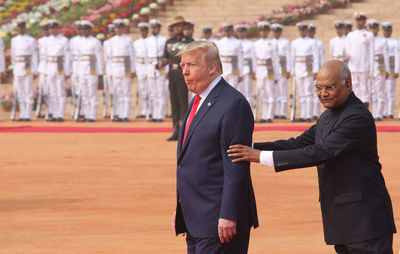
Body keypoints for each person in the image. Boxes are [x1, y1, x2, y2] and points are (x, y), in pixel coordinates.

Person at [227, 60, 396, 254]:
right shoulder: (328, 115)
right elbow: (299, 142)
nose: (323, 94)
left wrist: (261, 157)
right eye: (318, 88)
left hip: (365, 222)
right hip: (344, 221)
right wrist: (250, 148)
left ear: (348, 83)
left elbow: (321, 152)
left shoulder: (356, 117)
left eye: (329, 87)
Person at [173, 40, 258, 254]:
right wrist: (182, 206)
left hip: (219, 221)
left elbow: (235, 165)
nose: (184, 72)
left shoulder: (232, 103)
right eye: (182, 66)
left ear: (212, 68)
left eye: (191, 65)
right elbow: (190, 161)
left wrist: (229, 214)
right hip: (196, 218)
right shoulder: (198, 100)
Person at [162, 16, 194, 141]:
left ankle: (185, 131)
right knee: (174, 102)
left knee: (183, 102)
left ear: (183, 27)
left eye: (179, 26)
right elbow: (165, 57)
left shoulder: (189, 41)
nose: (176, 28)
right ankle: (175, 128)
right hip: (172, 74)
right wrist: (161, 63)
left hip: (182, 74)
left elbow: (191, 57)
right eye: (174, 26)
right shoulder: (169, 41)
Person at [107, 19, 135, 122]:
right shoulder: (110, 41)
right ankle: (119, 113)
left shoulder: (128, 40)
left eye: (120, 28)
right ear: (114, 29)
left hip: (125, 67)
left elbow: (132, 56)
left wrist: (132, 70)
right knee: (117, 92)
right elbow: (109, 58)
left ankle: (125, 114)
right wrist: (109, 71)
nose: (118, 30)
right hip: (115, 67)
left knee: (126, 91)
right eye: (116, 28)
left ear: (123, 29)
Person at [11, 18, 38, 121]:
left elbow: (34, 55)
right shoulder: (14, 40)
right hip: (18, 66)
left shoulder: (30, 40)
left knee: (28, 91)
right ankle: (22, 114)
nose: (21, 29)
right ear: (18, 28)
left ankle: (28, 114)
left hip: (27, 65)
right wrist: (14, 69)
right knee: (20, 92)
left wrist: (35, 70)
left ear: (25, 28)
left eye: (22, 27)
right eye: (19, 27)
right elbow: (13, 56)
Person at [291, 22, 319, 122]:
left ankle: (309, 114)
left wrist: (315, 70)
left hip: (308, 68)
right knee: (301, 93)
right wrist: (292, 71)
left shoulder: (312, 42)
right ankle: (302, 114)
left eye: (304, 30)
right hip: (298, 68)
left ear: (307, 31)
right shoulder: (295, 42)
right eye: (300, 30)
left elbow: (316, 57)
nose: (302, 32)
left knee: (309, 92)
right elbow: (292, 57)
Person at [76, 20, 103, 122]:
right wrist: (78, 71)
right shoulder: (80, 42)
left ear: (90, 30)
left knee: (92, 92)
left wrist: (100, 71)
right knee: (85, 93)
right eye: (82, 29)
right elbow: (78, 58)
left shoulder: (95, 41)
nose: (83, 31)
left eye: (86, 29)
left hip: (92, 68)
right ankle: (86, 114)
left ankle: (92, 115)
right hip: (82, 68)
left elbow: (99, 57)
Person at [346, 11, 374, 108]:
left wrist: (372, 69)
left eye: (361, 20)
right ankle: (354, 108)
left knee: (364, 88)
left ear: (364, 21)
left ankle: (364, 109)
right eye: (357, 20)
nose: (359, 22)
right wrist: (344, 55)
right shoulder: (350, 35)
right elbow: (348, 51)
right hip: (353, 66)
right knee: (354, 88)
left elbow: (371, 53)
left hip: (364, 66)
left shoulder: (369, 35)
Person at [44, 19, 70, 122]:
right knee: (52, 91)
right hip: (50, 65)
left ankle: (60, 114)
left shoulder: (64, 40)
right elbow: (44, 56)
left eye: (54, 28)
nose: (52, 30)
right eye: (50, 28)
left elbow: (67, 56)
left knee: (61, 91)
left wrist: (67, 71)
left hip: (60, 65)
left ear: (57, 29)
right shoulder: (46, 40)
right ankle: (54, 113)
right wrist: (45, 70)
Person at [252, 21, 278, 123]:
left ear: (268, 32)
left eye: (265, 31)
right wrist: (254, 71)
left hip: (269, 69)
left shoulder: (272, 43)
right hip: (260, 69)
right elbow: (254, 59)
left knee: (270, 93)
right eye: (262, 31)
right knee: (262, 93)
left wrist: (276, 75)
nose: (263, 33)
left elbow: (275, 60)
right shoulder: (256, 44)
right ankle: (264, 115)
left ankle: (270, 116)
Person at [146, 19, 168, 122]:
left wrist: (166, 69)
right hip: (150, 67)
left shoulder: (164, 40)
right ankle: (155, 114)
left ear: (159, 29)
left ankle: (161, 115)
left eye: (156, 28)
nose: (154, 29)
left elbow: (166, 56)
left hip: (161, 66)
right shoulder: (147, 40)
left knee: (161, 92)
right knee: (153, 92)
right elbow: (145, 56)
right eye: (153, 28)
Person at [367, 19, 389, 121]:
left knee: (380, 91)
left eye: (374, 28)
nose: (373, 30)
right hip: (369, 69)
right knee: (372, 92)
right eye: (371, 28)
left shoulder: (382, 41)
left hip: (380, 68)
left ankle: (379, 114)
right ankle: (373, 113)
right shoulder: (366, 40)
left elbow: (386, 56)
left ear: (377, 29)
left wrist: (387, 70)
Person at [216, 23, 243, 91]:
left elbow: (240, 59)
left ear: (232, 31)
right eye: (226, 31)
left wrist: (241, 73)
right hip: (223, 68)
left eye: (229, 31)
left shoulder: (237, 42)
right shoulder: (220, 42)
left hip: (233, 68)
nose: (227, 32)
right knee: (222, 89)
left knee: (233, 89)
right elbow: (217, 57)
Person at [272, 23, 291, 120]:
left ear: (281, 32)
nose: (276, 33)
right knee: (275, 91)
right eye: (274, 32)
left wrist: (288, 69)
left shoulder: (286, 42)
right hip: (273, 69)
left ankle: (283, 112)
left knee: (282, 90)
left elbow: (288, 56)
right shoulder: (270, 42)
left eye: (278, 31)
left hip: (283, 67)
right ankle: (277, 112)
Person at [381, 22, 399, 119]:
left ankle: (390, 112)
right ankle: (383, 112)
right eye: (385, 30)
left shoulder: (395, 42)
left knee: (390, 91)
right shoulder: (379, 41)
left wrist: (396, 70)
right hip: (382, 68)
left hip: (391, 67)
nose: (386, 32)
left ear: (391, 31)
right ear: (382, 31)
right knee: (382, 91)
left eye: (388, 30)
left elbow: (397, 57)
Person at [308, 24, 325, 120]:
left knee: (316, 91)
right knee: (308, 92)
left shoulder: (319, 43)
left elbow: (321, 57)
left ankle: (315, 113)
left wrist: (321, 70)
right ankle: (308, 113)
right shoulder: (305, 43)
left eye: (311, 32)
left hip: (316, 71)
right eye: (309, 32)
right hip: (306, 70)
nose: (310, 33)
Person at [134, 22, 150, 118]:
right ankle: (144, 110)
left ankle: (151, 110)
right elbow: (134, 57)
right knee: (142, 89)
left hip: (148, 65)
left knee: (151, 89)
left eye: (145, 30)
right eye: (141, 30)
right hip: (140, 66)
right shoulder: (136, 43)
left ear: (147, 31)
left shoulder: (150, 41)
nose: (143, 32)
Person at [236, 24, 254, 106]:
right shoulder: (234, 43)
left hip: (247, 68)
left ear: (245, 32)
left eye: (242, 32)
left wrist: (253, 71)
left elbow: (253, 58)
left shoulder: (250, 44)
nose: (240, 33)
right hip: (236, 69)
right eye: (239, 32)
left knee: (248, 92)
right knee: (238, 91)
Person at [36, 19, 51, 118]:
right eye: (44, 30)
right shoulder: (40, 41)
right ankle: (40, 110)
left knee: (51, 91)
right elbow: (38, 56)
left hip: (51, 67)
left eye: (46, 30)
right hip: (42, 68)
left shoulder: (53, 40)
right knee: (43, 90)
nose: (45, 32)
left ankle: (50, 110)